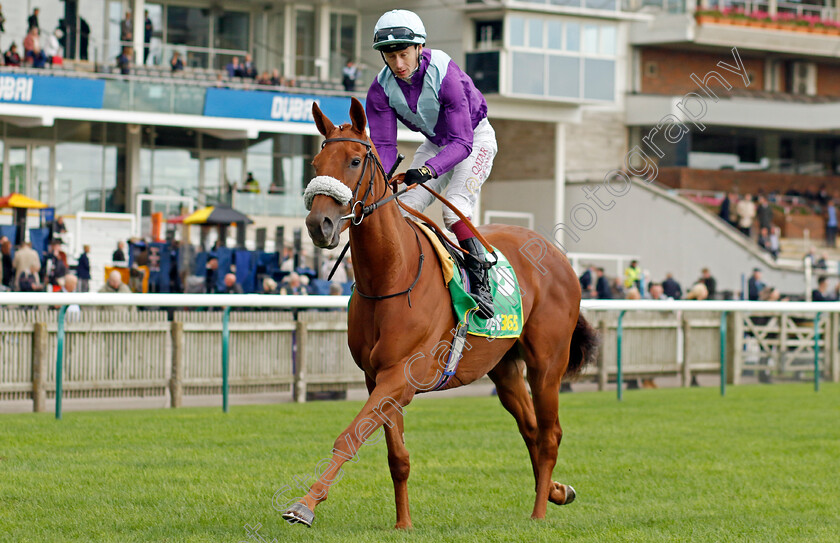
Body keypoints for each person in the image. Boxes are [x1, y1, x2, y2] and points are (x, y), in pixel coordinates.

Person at [366, 9, 498, 318]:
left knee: (454, 208)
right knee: (401, 209)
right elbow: (385, 145)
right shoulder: (380, 90)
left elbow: (463, 142)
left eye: (403, 54)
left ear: (419, 48)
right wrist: (379, 181)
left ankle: (482, 286)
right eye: (390, 56)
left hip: (475, 139)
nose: (398, 65)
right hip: (436, 143)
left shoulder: (445, 74)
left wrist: (427, 170)